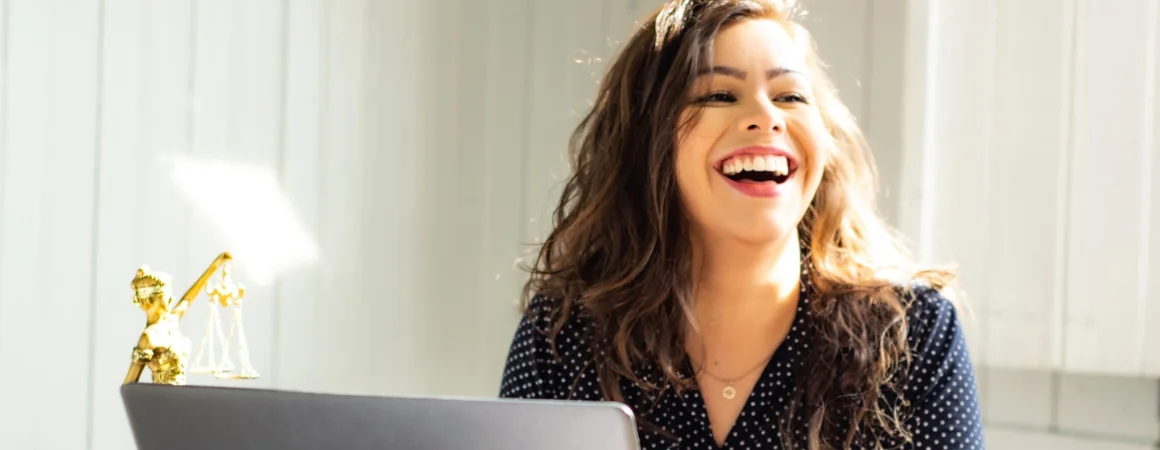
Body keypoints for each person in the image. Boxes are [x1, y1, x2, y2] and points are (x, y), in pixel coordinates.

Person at [498, 0, 984, 449]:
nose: (766, 117)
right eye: (719, 95)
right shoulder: (564, 336)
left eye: (790, 95)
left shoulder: (914, 337)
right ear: (649, 141)